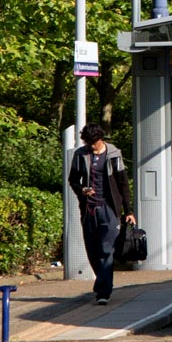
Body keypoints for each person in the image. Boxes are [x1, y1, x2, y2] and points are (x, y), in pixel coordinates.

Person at [68, 123, 136, 305]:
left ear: (101, 139)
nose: (91, 146)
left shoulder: (114, 154)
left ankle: (103, 292)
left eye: (94, 142)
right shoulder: (80, 155)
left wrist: (129, 211)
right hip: (89, 209)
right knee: (92, 249)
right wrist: (82, 190)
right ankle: (103, 283)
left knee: (107, 249)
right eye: (88, 142)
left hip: (109, 208)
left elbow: (123, 183)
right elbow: (72, 180)